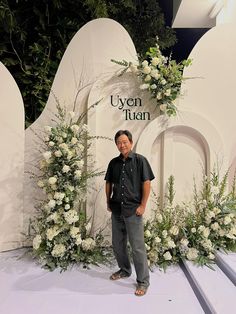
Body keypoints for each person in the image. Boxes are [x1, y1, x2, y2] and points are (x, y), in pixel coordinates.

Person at [104, 129, 155, 296]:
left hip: (134, 210)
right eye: (119, 142)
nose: (122, 145)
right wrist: (108, 201)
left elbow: (146, 184)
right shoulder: (113, 163)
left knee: (137, 247)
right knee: (118, 244)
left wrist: (143, 205)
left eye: (125, 142)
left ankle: (143, 282)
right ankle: (125, 270)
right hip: (117, 209)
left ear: (131, 143)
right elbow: (108, 183)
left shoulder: (141, 161)